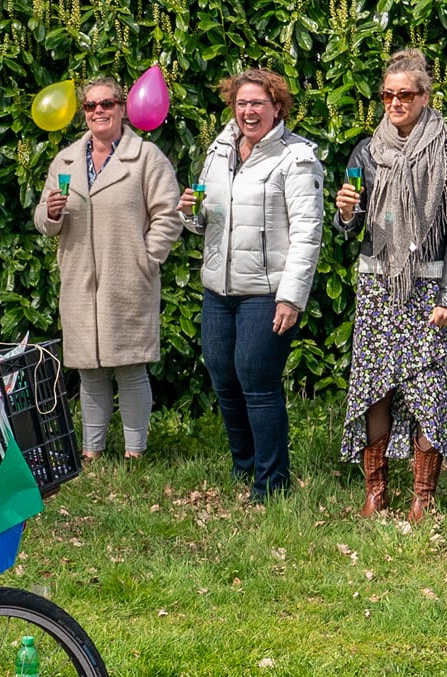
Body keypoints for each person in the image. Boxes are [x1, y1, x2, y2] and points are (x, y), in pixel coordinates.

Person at [334, 48, 447, 521]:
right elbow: (350, 229)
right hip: (378, 286)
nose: (395, 102)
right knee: (376, 387)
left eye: (405, 94)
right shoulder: (366, 152)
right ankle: (376, 491)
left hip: (429, 288)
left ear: (425, 96)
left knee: (429, 390)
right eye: (387, 95)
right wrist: (346, 212)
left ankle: (423, 497)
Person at [178, 68, 324, 501]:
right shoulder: (220, 149)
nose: (248, 111)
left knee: (257, 383)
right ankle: (243, 468)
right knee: (224, 379)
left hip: (267, 293)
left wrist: (291, 297)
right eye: (242, 103)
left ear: (277, 107)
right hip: (218, 290)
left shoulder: (297, 158)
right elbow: (206, 221)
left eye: (258, 103)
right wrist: (190, 211)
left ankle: (271, 483)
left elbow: (308, 233)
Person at [33, 77, 182, 461]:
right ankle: (91, 453)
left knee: (130, 368)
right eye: (90, 106)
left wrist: (147, 258)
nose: (99, 111)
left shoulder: (146, 157)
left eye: (107, 104)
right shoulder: (65, 160)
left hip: (128, 280)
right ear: (83, 113)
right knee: (89, 371)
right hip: (80, 282)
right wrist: (49, 215)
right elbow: (43, 218)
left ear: (121, 109)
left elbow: (168, 214)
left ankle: (135, 453)